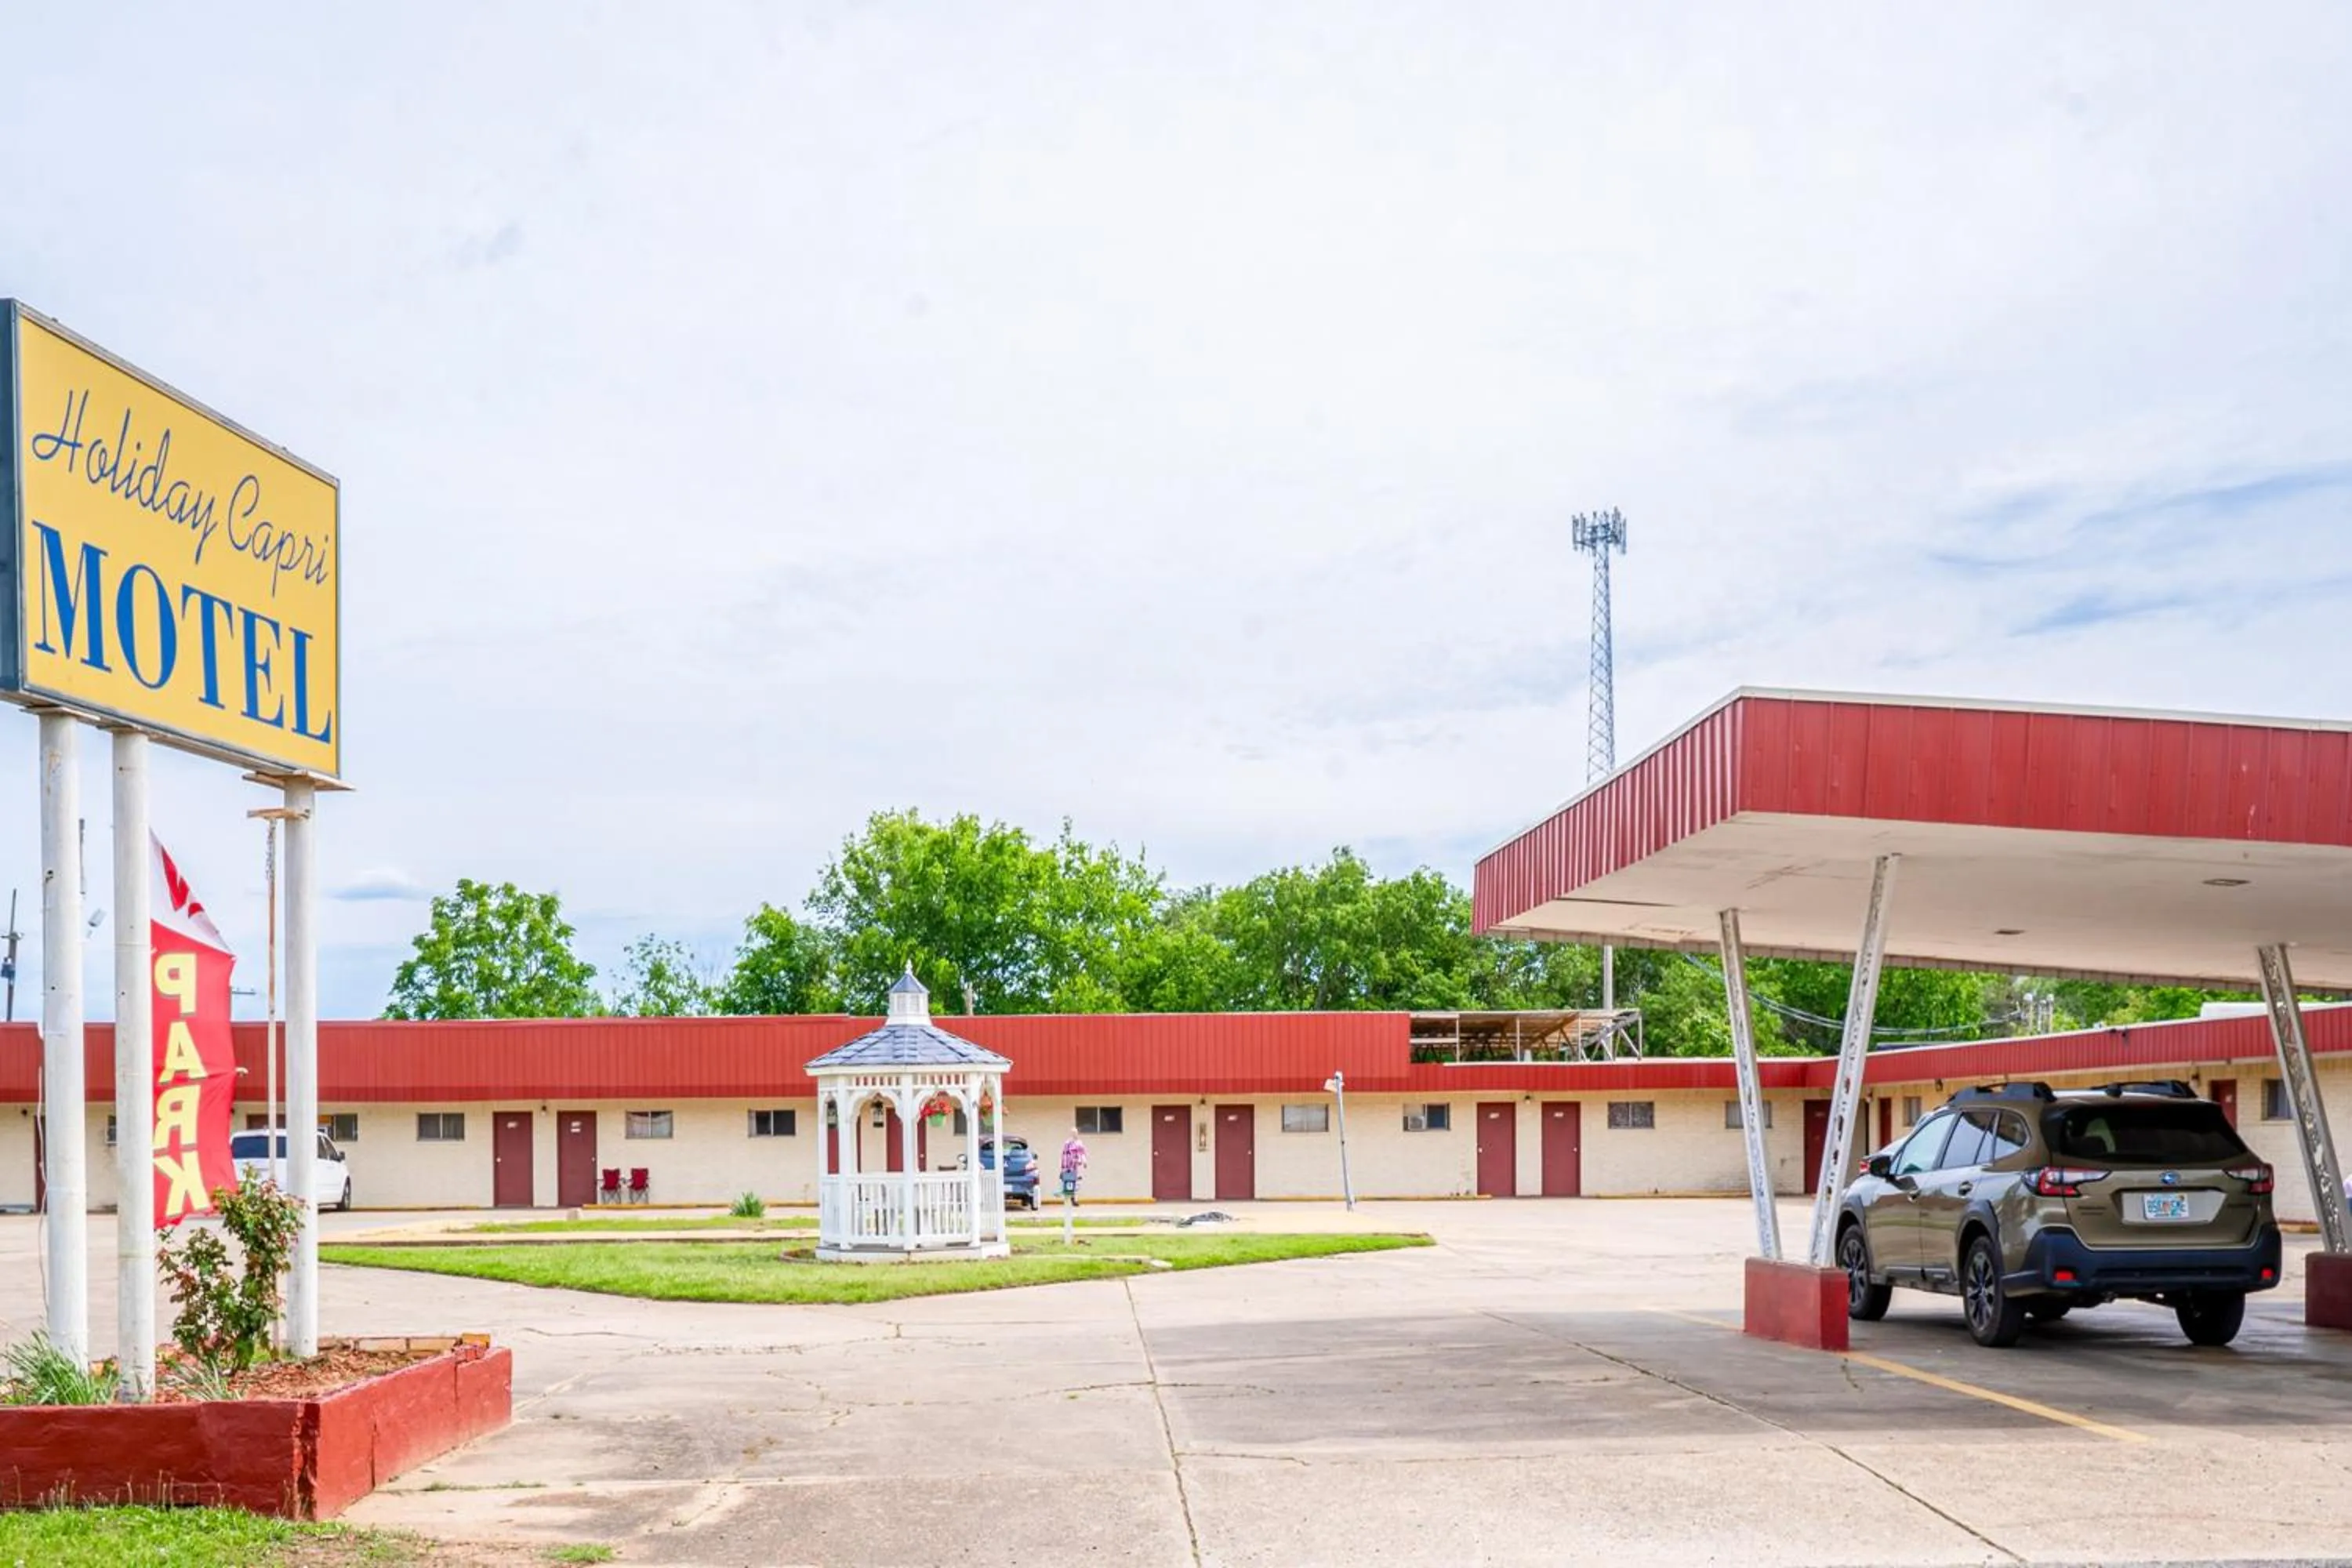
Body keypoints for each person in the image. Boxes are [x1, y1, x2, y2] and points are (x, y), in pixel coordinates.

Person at [1059, 1127, 1088, 1207]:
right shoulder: (1067, 1143)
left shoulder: (1079, 1143)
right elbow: (1064, 1156)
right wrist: (1064, 1168)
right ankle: (1069, 1199)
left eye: (1076, 1132)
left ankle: (1075, 1199)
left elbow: (1082, 1153)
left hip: (1077, 1166)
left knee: (1077, 1183)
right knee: (1069, 1182)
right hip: (1069, 1167)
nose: (1074, 1134)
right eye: (1073, 1133)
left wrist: (1084, 1162)